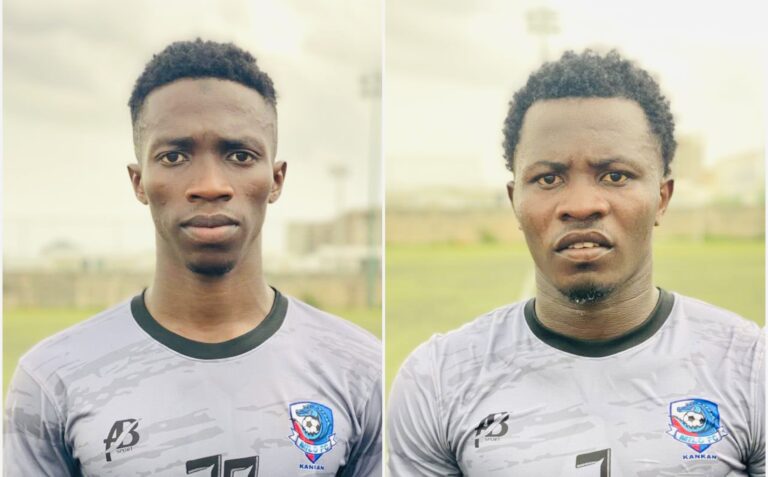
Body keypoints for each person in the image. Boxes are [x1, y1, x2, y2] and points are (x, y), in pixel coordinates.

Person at [5, 39, 382, 476]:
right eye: (174, 156)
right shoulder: (53, 378)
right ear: (139, 181)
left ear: (275, 179)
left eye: (240, 156)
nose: (209, 185)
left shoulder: (358, 368)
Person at [387, 50, 764, 476]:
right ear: (514, 201)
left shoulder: (749, 367)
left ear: (662, 198)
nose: (582, 205)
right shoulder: (439, 378)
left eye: (615, 175)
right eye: (548, 178)